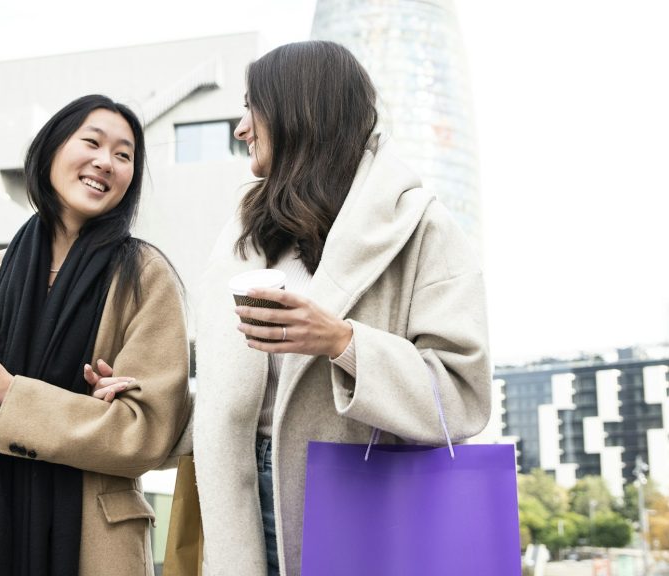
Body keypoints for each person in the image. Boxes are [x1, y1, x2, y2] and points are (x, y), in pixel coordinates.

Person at [194, 41, 491, 575]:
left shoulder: (421, 228)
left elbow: (464, 396)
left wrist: (343, 343)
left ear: (299, 109)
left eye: (250, 107)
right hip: (240, 505)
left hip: (367, 505)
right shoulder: (244, 236)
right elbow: (233, 395)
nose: (241, 128)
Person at [0, 94, 191, 576]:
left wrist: (9, 393)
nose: (107, 162)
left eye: (124, 155)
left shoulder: (145, 275)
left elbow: (147, 434)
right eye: (93, 143)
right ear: (52, 150)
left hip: (88, 542)